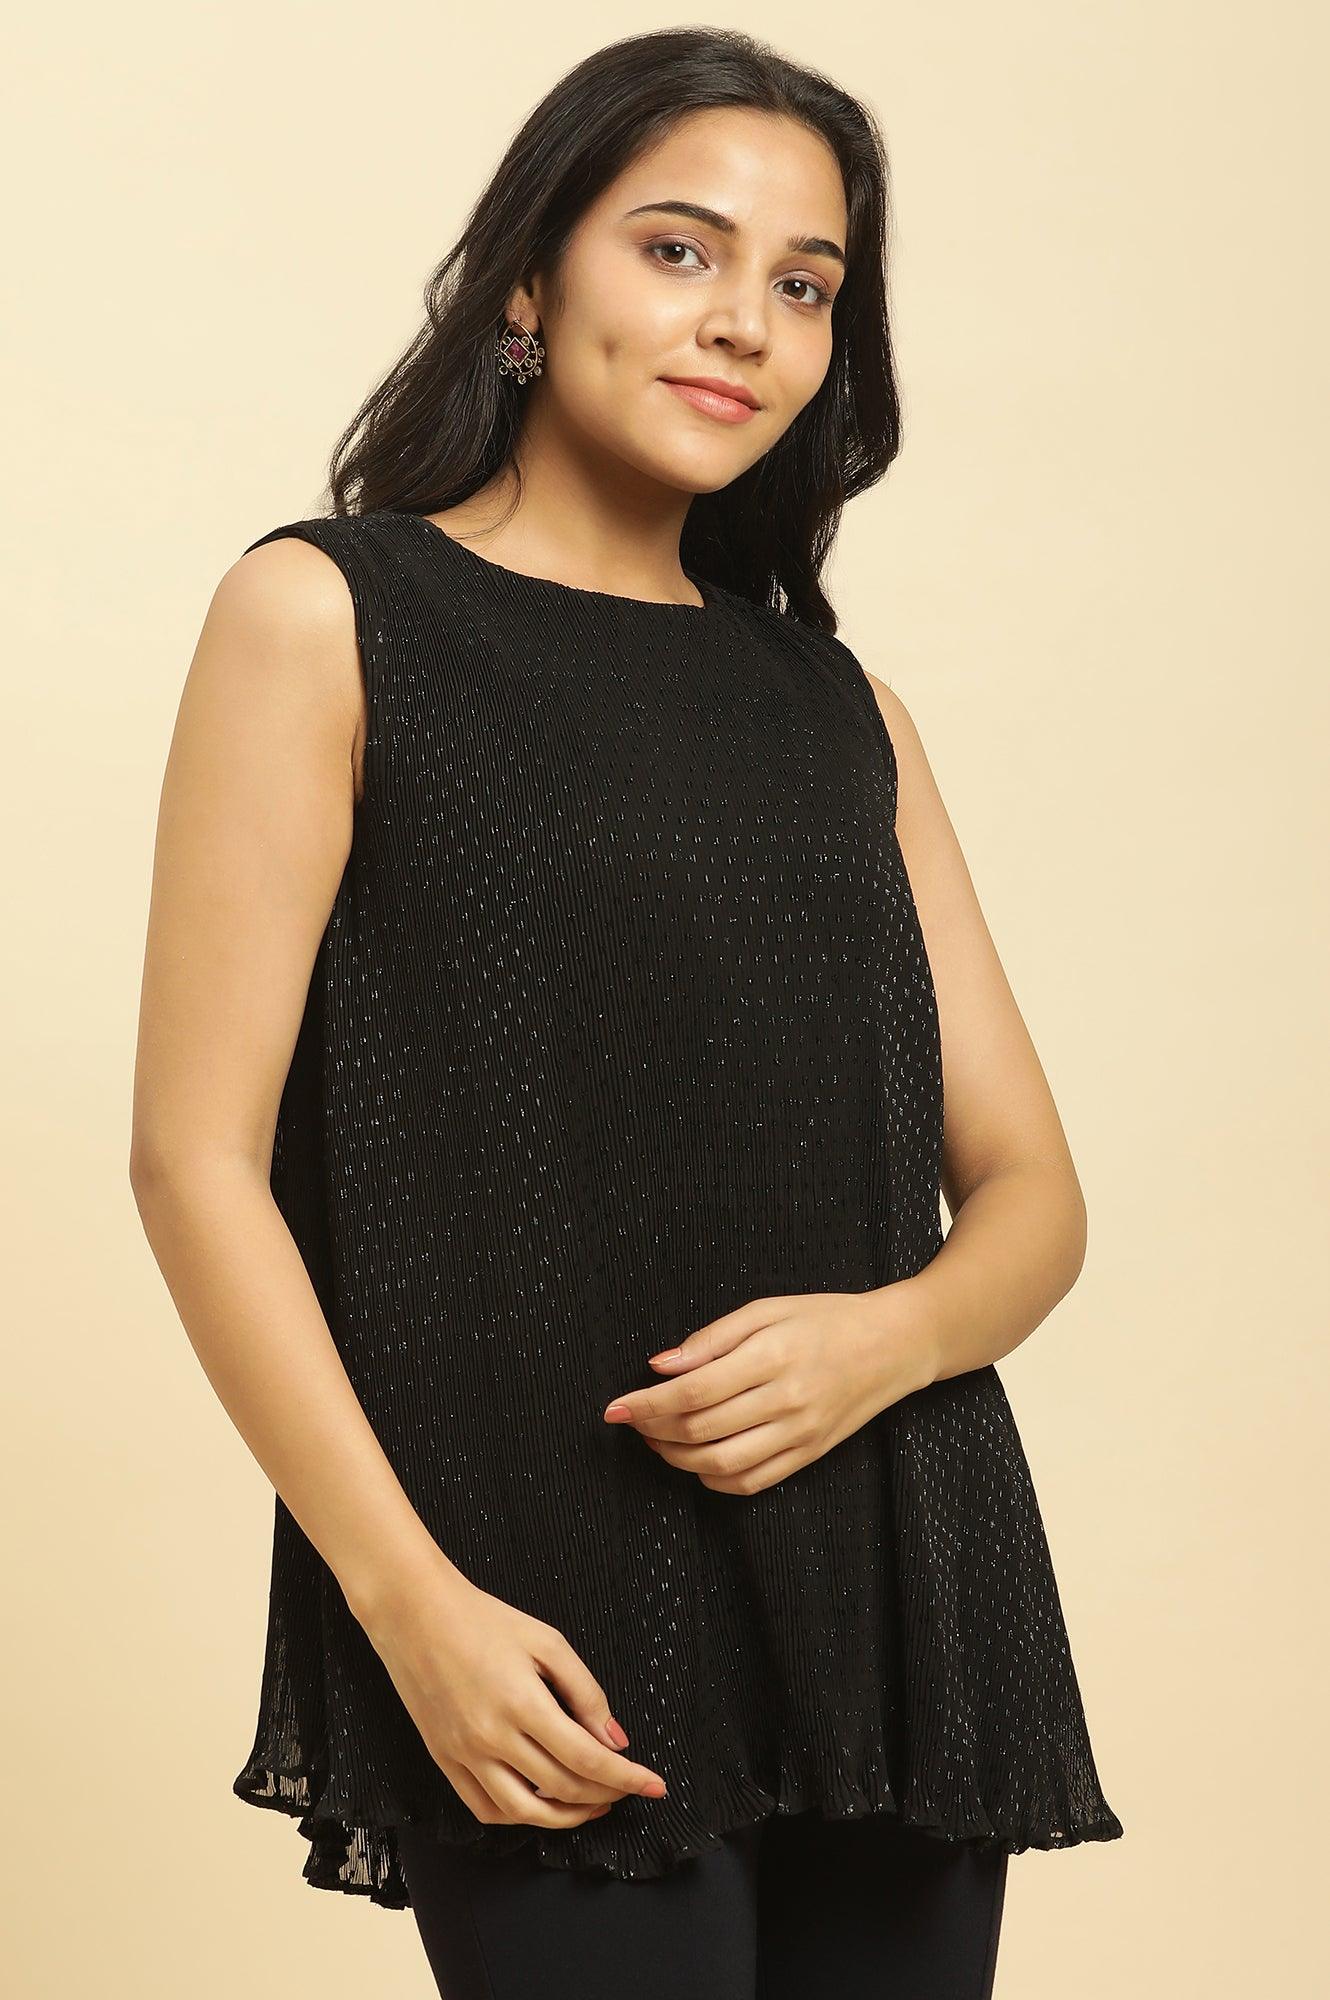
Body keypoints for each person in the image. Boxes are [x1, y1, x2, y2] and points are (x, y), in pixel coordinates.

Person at [129, 25, 1122, 1998]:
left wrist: (885, 1340)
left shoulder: (840, 713)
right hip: (530, 1588)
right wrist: (404, 1600)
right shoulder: (331, 616)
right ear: (525, 278)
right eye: (678, 249)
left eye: (804, 285)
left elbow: (1032, 1196)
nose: (743, 320)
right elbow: (193, 1162)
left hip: (894, 1574)